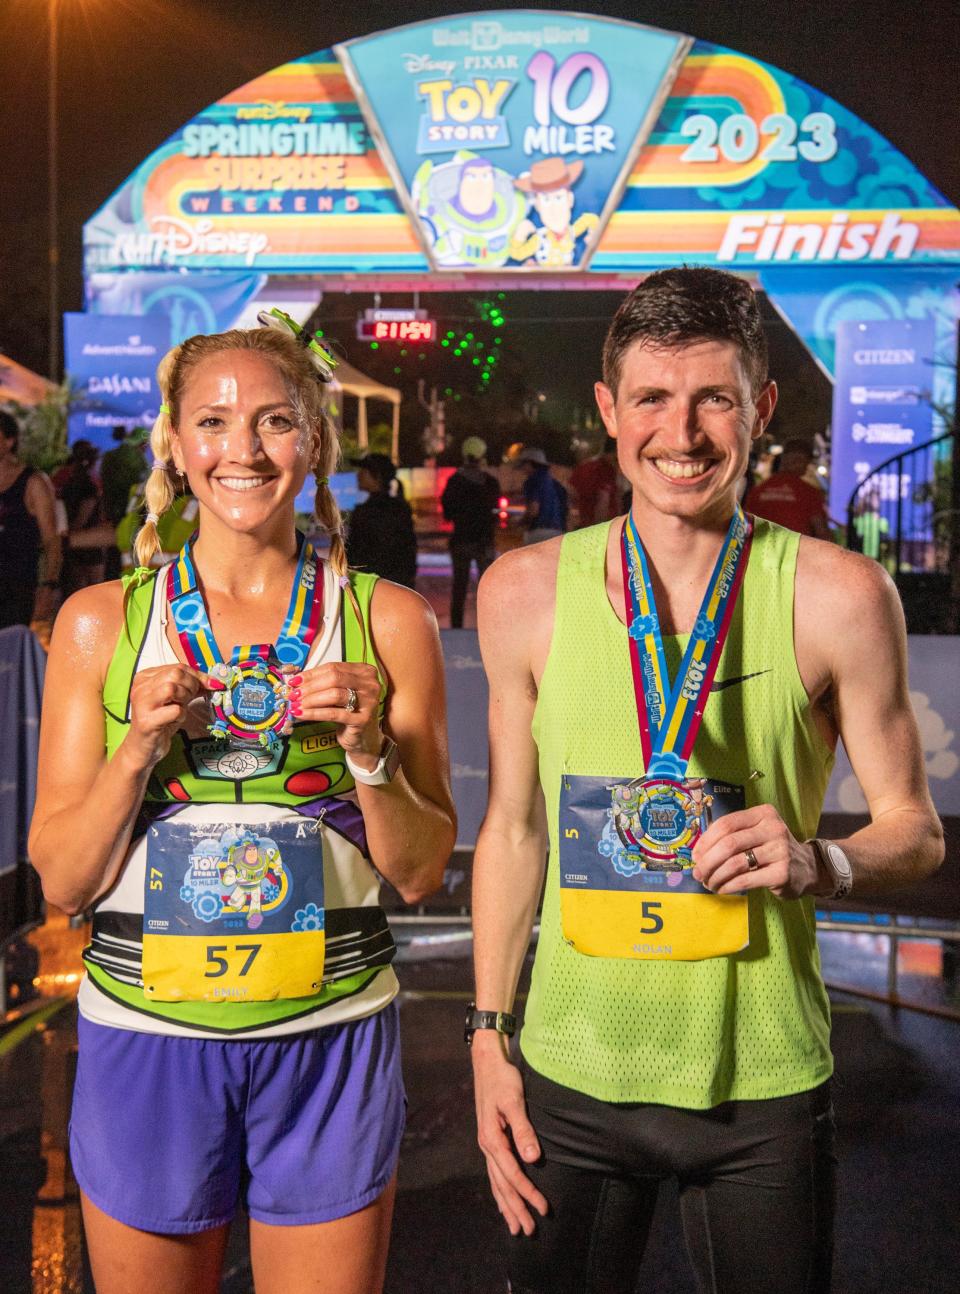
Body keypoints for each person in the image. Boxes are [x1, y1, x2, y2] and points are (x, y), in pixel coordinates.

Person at [469, 267, 943, 1294]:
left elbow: (916, 829)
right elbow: (512, 831)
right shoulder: (520, 592)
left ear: (760, 405)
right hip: (571, 1072)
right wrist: (486, 1036)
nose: (680, 432)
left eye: (714, 398)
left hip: (761, 1082)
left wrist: (822, 858)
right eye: (651, 398)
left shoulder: (841, 594)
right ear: (608, 409)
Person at [29, 316, 456, 1294]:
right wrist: (136, 747)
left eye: (274, 421)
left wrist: (370, 754)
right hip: (149, 1033)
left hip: (331, 1030)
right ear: (177, 447)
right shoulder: (105, 622)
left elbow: (423, 868)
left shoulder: (384, 617)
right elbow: (62, 874)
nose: (243, 449)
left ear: (315, 441)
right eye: (213, 422)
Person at [0, 409, 61, 630]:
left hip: (17, 589)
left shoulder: (32, 482)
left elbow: (51, 539)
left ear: (9, 441)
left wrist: (48, 585)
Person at [441, 435, 500, 628]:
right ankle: (489, 627)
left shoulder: (454, 482)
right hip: (484, 541)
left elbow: (447, 513)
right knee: (488, 588)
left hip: (461, 540)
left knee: (459, 585)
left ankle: (457, 626)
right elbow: (495, 513)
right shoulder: (491, 483)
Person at [346, 452, 418, 589]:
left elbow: (358, 555)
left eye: (363, 471)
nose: (358, 475)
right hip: (396, 586)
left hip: (370, 587)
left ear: (376, 476)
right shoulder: (399, 508)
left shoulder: (368, 512)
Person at [744, 437, 831, 538]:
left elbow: (746, 525)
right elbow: (821, 532)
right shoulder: (809, 493)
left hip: (761, 550)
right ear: (800, 460)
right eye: (806, 462)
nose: (807, 467)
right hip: (797, 551)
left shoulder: (758, 491)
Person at [54, 439, 106, 593]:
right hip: (88, 541)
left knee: (77, 590)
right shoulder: (89, 484)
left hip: (72, 541)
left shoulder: (69, 481)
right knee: (95, 589)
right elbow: (86, 513)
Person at [516, 446, 567, 545]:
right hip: (558, 532)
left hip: (538, 533)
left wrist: (521, 522)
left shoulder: (532, 481)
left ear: (530, 463)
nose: (522, 468)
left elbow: (533, 510)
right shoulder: (555, 484)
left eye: (523, 464)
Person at [568, 435, 620, 528]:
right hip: (602, 529)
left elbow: (571, 492)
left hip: (584, 526)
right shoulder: (606, 470)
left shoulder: (584, 467)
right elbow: (603, 501)